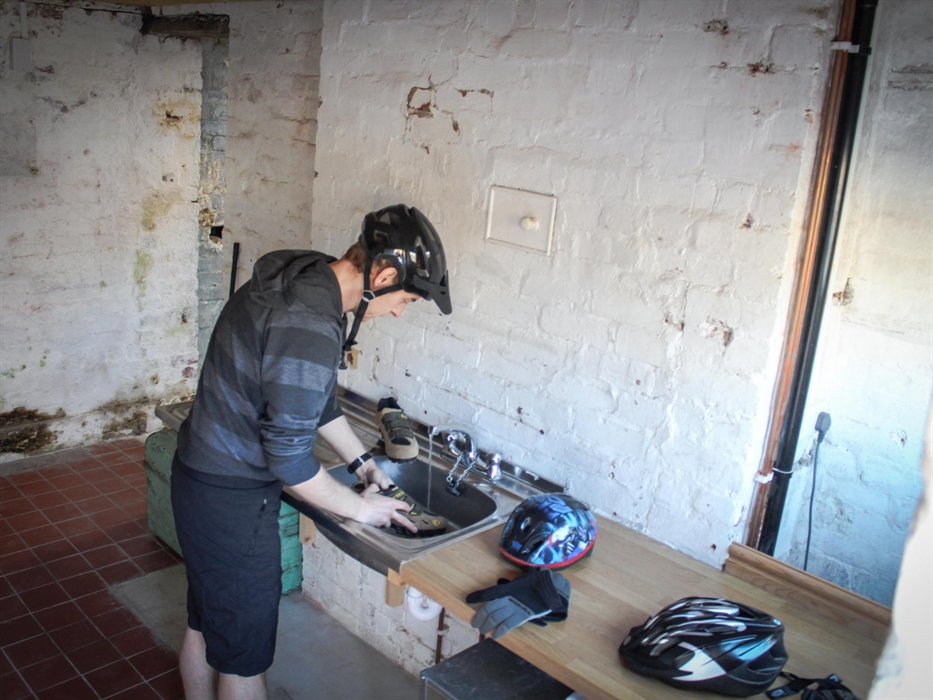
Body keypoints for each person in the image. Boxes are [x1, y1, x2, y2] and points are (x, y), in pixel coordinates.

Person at [171, 204, 452, 700]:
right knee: (243, 660)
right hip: (232, 496)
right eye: (405, 299)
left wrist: (361, 463)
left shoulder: (306, 280)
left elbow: (315, 398)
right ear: (383, 275)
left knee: (207, 624)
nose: (399, 311)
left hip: (204, 478)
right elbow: (288, 458)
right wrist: (360, 508)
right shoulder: (309, 322)